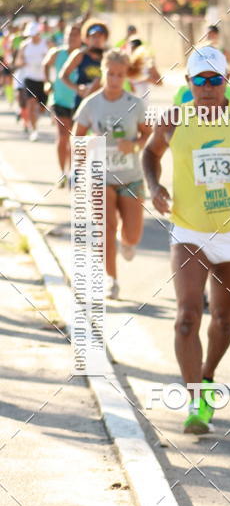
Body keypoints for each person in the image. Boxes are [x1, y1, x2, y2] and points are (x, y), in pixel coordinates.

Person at [142, 45, 230, 434]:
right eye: (199, 80)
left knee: (223, 320)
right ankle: (195, 403)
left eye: (214, 80)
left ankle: (206, 375)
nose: (206, 87)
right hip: (188, 230)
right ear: (188, 83)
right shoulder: (173, 120)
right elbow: (149, 155)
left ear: (226, 83)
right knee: (187, 317)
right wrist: (154, 186)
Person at [74, 49, 151, 300]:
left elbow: (148, 135)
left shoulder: (136, 104)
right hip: (101, 177)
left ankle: (127, 243)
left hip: (131, 177)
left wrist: (135, 144)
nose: (115, 79)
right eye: (110, 74)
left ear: (126, 75)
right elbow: (76, 139)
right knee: (105, 228)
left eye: (120, 75)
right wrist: (87, 147)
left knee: (132, 234)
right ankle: (111, 279)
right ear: (103, 72)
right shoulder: (91, 104)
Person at [43, 24, 82, 186]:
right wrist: (47, 82)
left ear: (81, 38)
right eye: (69, 34)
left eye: (75, 35)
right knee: (63, 136)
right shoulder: (57, 53)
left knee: (77, 139)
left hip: (80, 102)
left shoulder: (84, 55)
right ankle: (62, 173)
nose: (71, 38)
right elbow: (45, 64)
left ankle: (73, 172)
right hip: (59, 100)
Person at [59, 19, 109, 110]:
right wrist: (77, 88)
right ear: (87, 38)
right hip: (82, 104)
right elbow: (63, 75)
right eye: (93, 36)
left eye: (100, 36)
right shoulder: (80, 55)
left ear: (105, 38)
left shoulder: (109, 57)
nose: (97, 39)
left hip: (103, 104)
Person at [15, 21, 49, 141]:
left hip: (44, 79)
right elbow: (17, 62)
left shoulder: (46, 44)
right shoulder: (24, 45)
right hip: (30, 79)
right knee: (30, 103)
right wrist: (23, 62)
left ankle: (36, 118)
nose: (33, 36)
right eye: (31, 34)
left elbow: (51, 60)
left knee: (42, 108)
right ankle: (34, 130)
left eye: (35, 34)